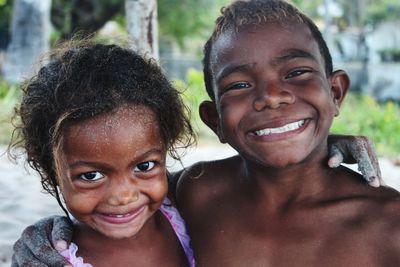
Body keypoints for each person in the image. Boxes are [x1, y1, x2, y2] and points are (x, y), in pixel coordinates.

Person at [10, 1, 387, 266]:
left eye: (296, 73)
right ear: (214, 120)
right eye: (239, 85)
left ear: (335, 92)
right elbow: (116, 179)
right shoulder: (198, 192)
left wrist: (318, 143)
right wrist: (48, 235)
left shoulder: (388, 225)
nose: (271, 97)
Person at [8, 41, 196, 267]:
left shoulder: (192, 213)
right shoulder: (56, 261)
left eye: (144, 167)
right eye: (90, 176)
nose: (123, 196)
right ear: (49, 170)